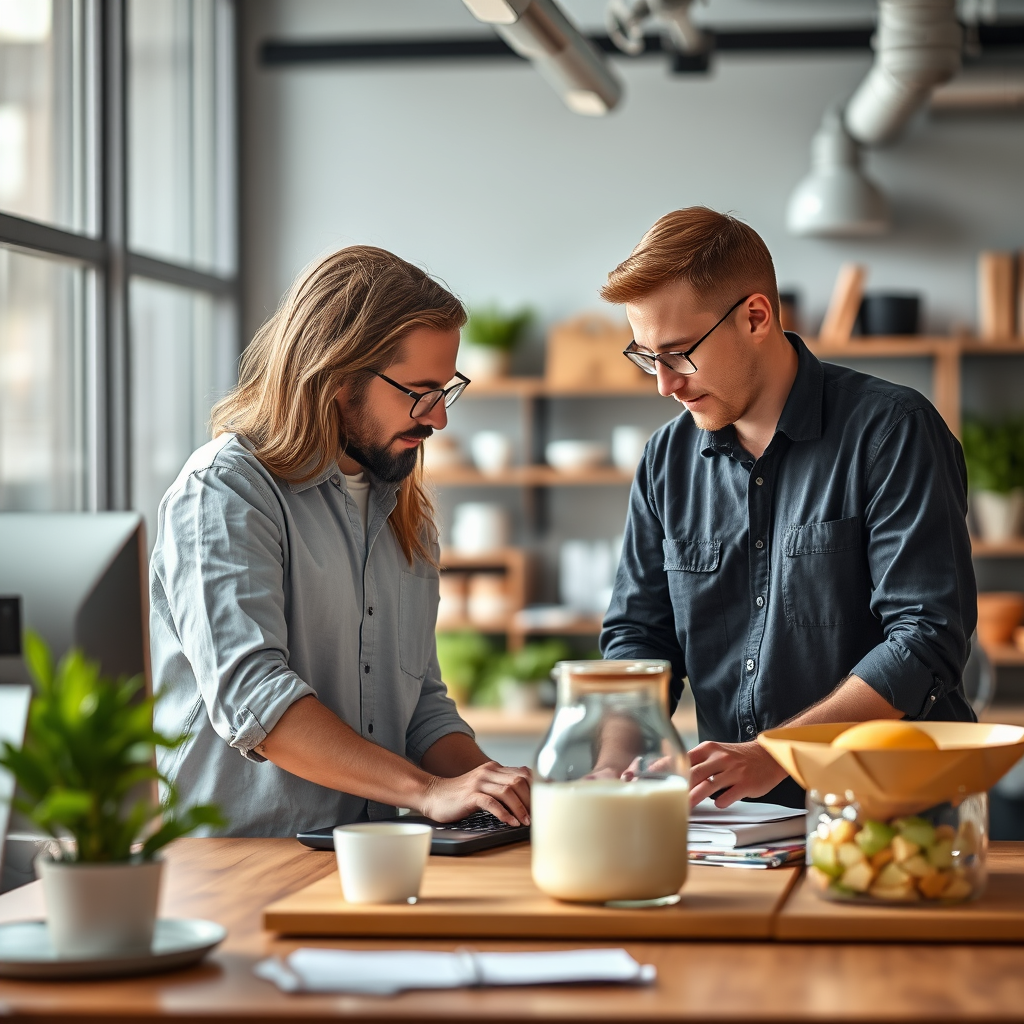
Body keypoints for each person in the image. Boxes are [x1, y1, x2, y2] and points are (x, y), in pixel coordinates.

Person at [599, 208, 977, 809]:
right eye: (646, 357)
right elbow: (640, 638)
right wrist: (613, 766)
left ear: (756, 316)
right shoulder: (664, 459)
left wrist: (776, 753)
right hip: (741, 829)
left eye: (678, 354)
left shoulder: (892, 431)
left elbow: (925, 639)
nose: (665, 385)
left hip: (898, 818)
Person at [150, 247, 531, 836]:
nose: (438, 420)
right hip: (246, 863)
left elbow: (421, 706)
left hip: (370, 854)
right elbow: (256, 702)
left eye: (446, 390)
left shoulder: (405, 508)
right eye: (419, 392)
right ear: (337, 375)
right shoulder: (225, 492)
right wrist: (428, 793)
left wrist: (499, 792)